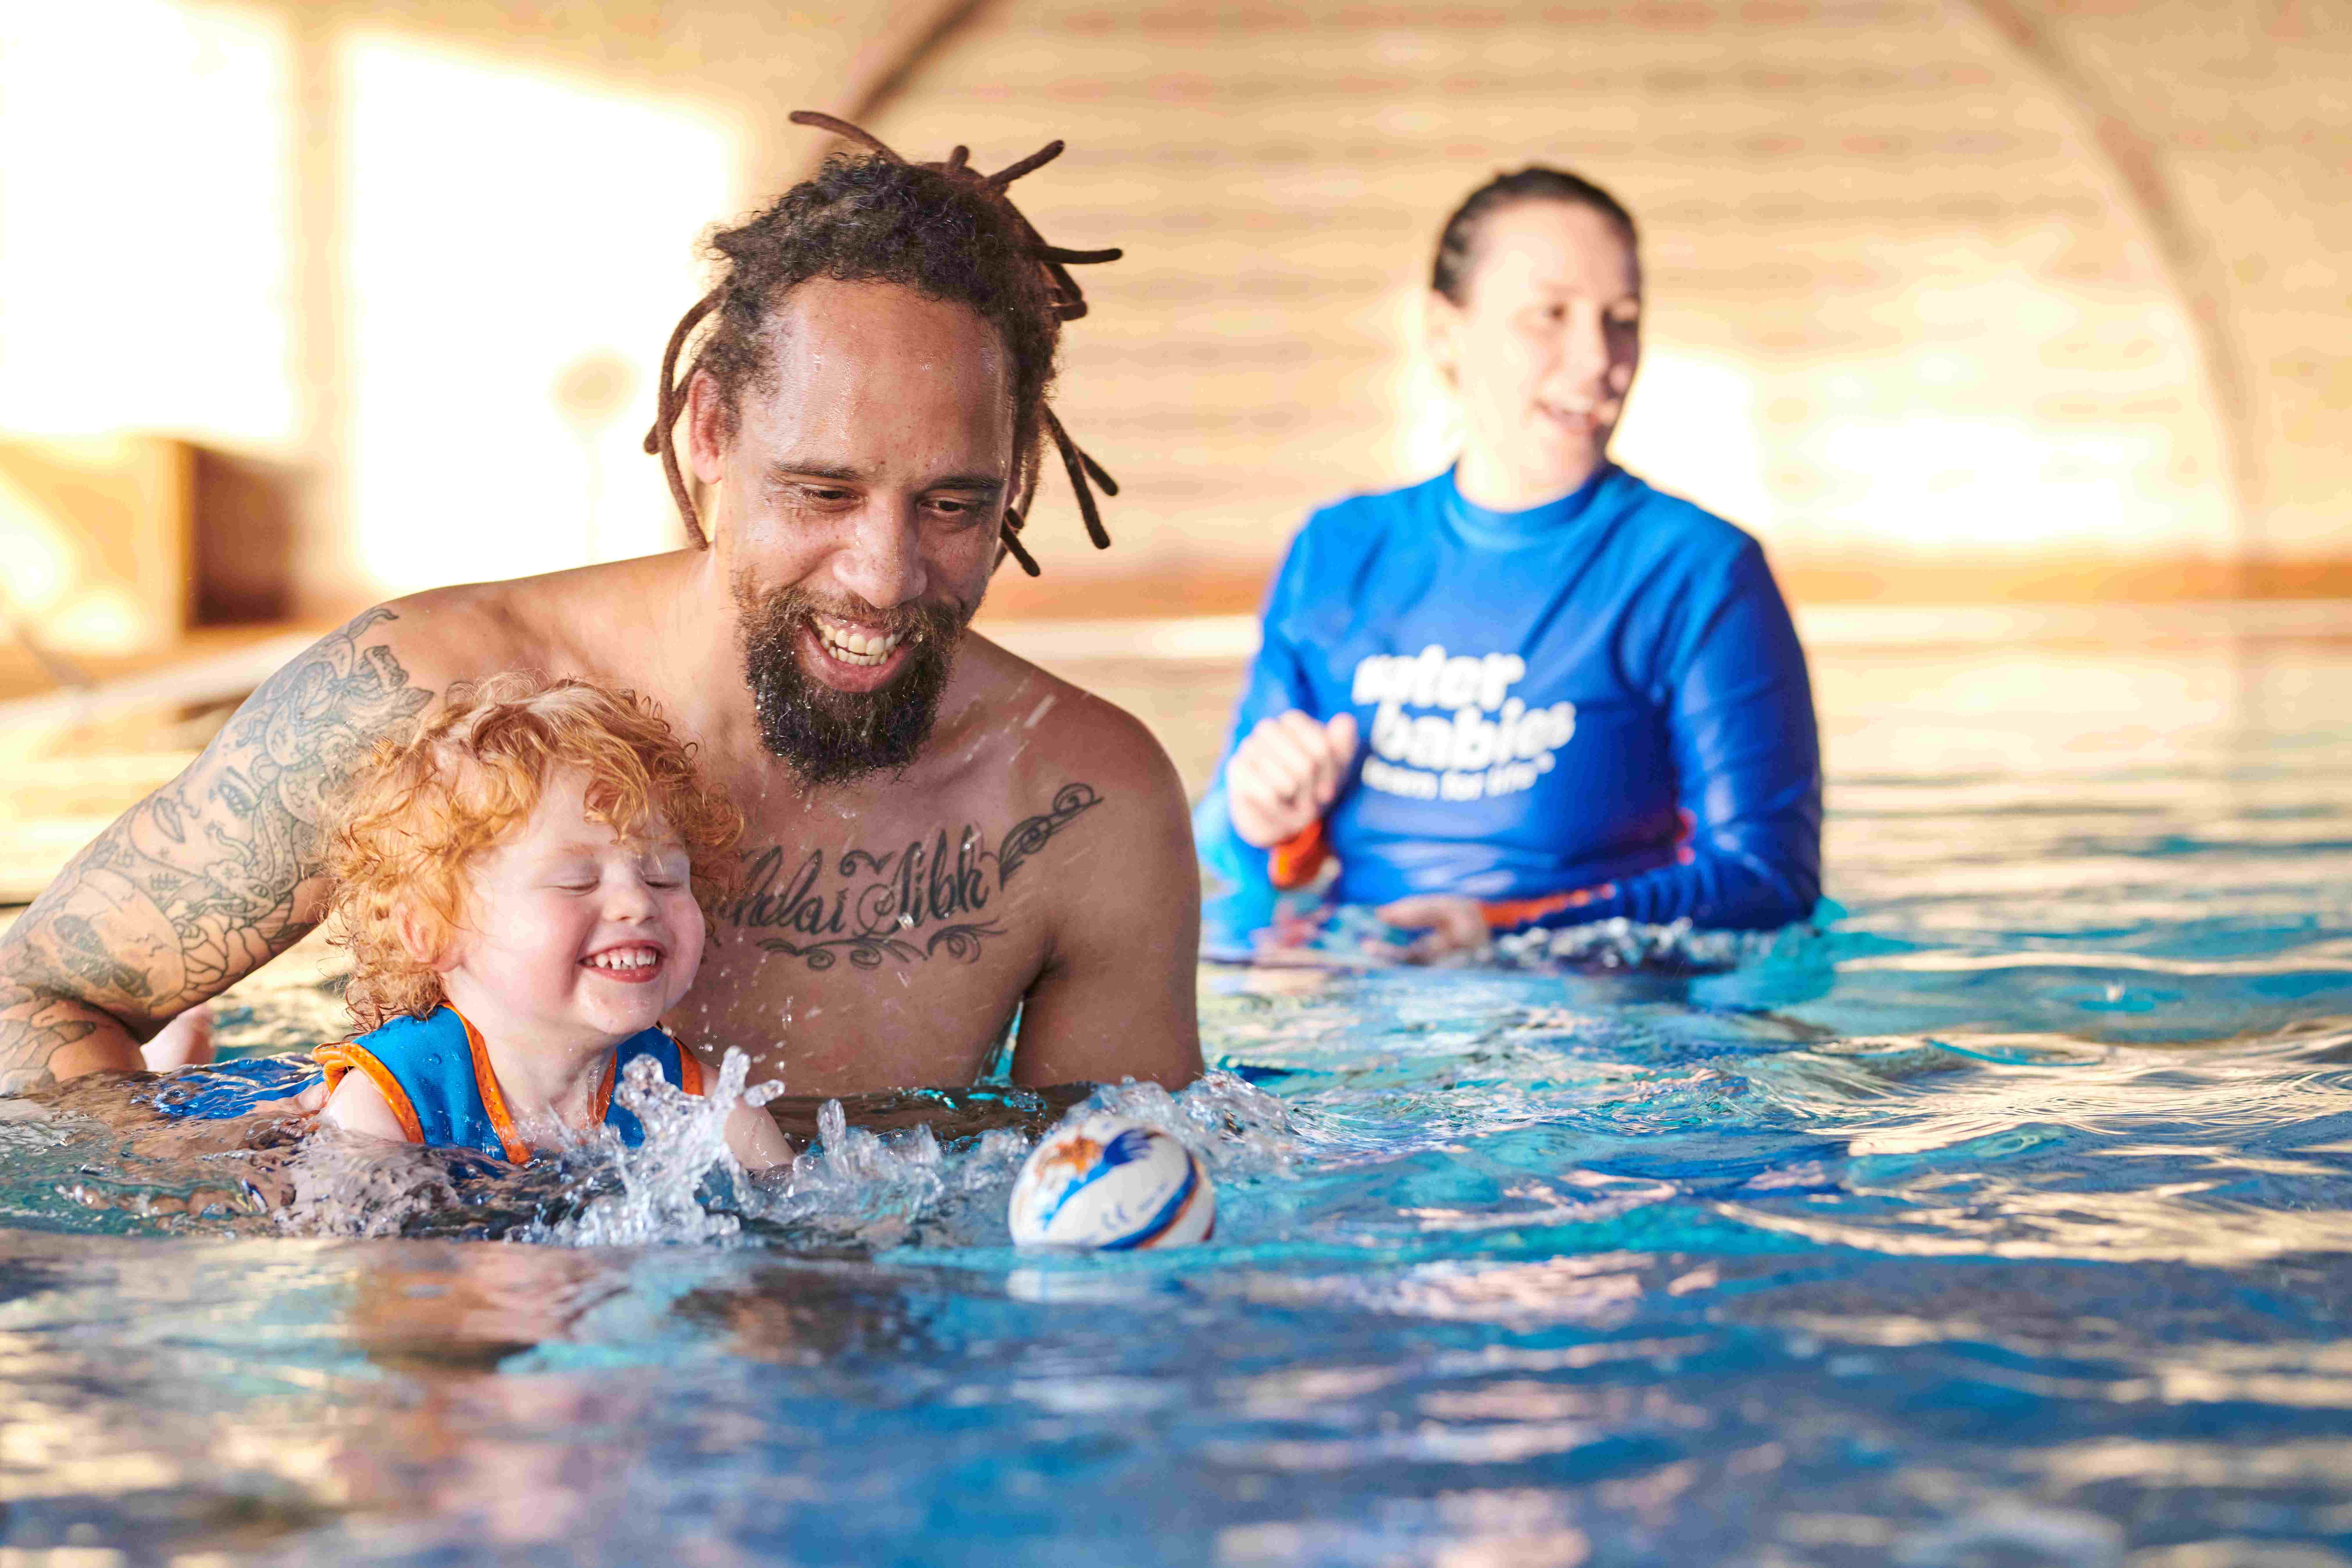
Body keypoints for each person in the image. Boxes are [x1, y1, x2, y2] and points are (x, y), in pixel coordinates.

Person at [0, 112, 1202, 1100]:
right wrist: (213, 1195)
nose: (883, 575)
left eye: (951, 505)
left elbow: (1112, 1227)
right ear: (711, 434)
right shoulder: (435, 699)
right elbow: (27, 996)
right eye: (823, 492)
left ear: (1018, 483)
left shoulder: (1084, 809)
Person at [1196, 166, 1821, 960]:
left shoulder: (1695, 569)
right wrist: (1258, 822)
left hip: (1598, 1031)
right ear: (1445, 331)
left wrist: (1509, 935)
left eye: (1621, 320)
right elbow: (1227, 859)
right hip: (1350, 1005)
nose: (1598, 359)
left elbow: (1768, 879)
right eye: (1549, 316)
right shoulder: (1339, 548)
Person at [305, 673, 790, 1167]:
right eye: (578, 881)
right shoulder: (385, 1114)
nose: (638, 903)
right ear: (431, 930)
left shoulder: (711, 1111)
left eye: (664, 877)